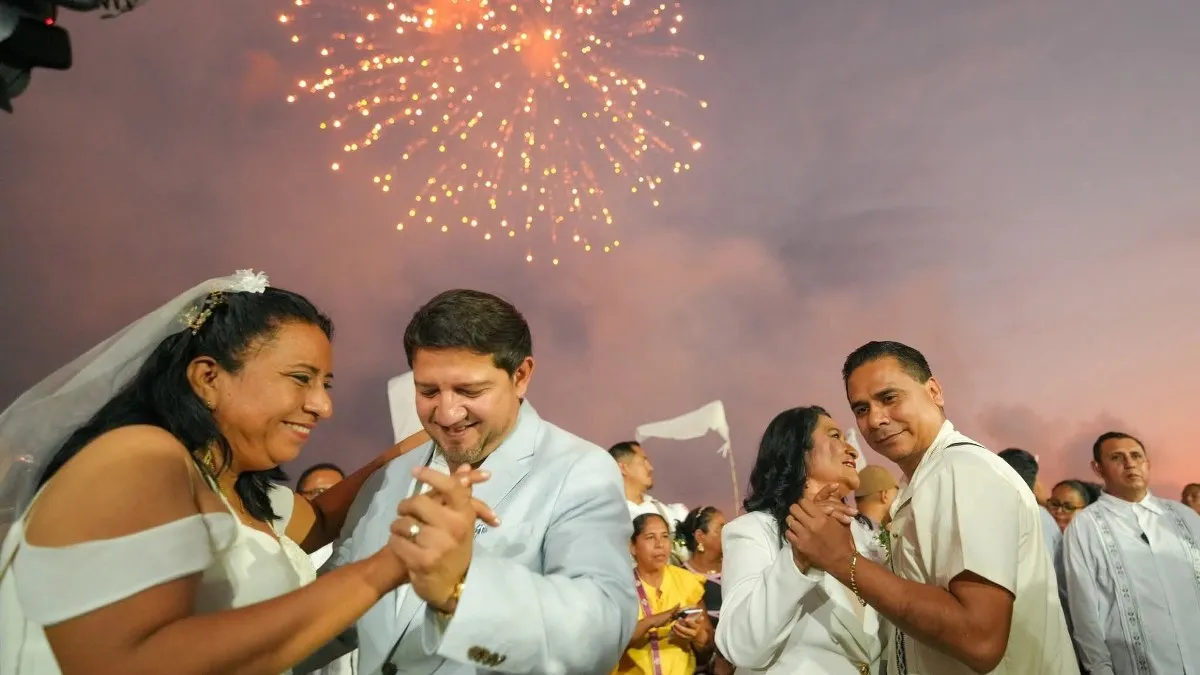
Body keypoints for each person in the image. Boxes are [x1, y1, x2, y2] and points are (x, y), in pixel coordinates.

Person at [0, 270, 495, 675]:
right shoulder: (141, 459)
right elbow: (125, 663)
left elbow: (323, 518)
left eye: (326, 384)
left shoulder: (244, 495)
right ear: (208, 378)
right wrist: (386, 568)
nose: (323, 405)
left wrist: (440, 429)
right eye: (301, 379)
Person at [304, 289, 637, 675]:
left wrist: (458, 590)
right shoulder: (388, 478)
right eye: (427, 391)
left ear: (521, 376)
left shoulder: (580, 470)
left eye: (470, 391)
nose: (446, 413)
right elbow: (334, 611)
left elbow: (603, 632)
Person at [786, 341, 1076, 675]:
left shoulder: (962, 470)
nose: (876, 419)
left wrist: (842, 561)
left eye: (889, 398)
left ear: (934, 391)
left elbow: (980, 638)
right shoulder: (925, 480)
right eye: (861, 409)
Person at [717, 406, 882, 675]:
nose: (851, 449)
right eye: (834, 436)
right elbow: (742, 646)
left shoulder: (869, 535)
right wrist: (799, 558)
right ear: (798, 452)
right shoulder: (755, 531)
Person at [1063, 431, 1200, 675]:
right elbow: (1084, 611)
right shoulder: (1085, 527)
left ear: (1148, 464)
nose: (1130, 463)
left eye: (1136, 456)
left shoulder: (1185, 518)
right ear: (1098, 468)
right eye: (1117, 457)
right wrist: (1099, 669)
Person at [614, 513, 714, 675]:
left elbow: (707, 645)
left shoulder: (686, 581)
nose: (660, 544)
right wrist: (651, 621)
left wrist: (697, 636)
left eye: (665, 536)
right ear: (632, 546)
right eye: (650, 537)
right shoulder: (620, 588)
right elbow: (611, 642)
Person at [676, 506, 730, 675]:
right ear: (700, 537)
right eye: (721, 528)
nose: (728, 532)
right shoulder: (680, 577)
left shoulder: (737, 569)